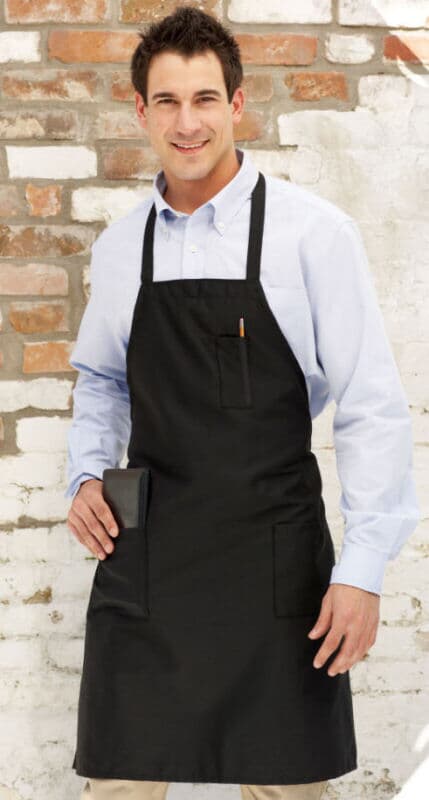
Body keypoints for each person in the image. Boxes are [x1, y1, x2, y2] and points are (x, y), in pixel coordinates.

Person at [65, 8, 420, 800]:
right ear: (140, 111)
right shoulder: (119, 248)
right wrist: (85, 472)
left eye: (203, 99)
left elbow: (369, 404)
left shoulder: (313, 235)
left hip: (276, 569)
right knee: (118, 784)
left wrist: (362, 571)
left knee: (286, 786)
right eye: (166, 102)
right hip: (147, 568)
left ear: (236, 103)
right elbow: (102, 379)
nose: (186, 123)